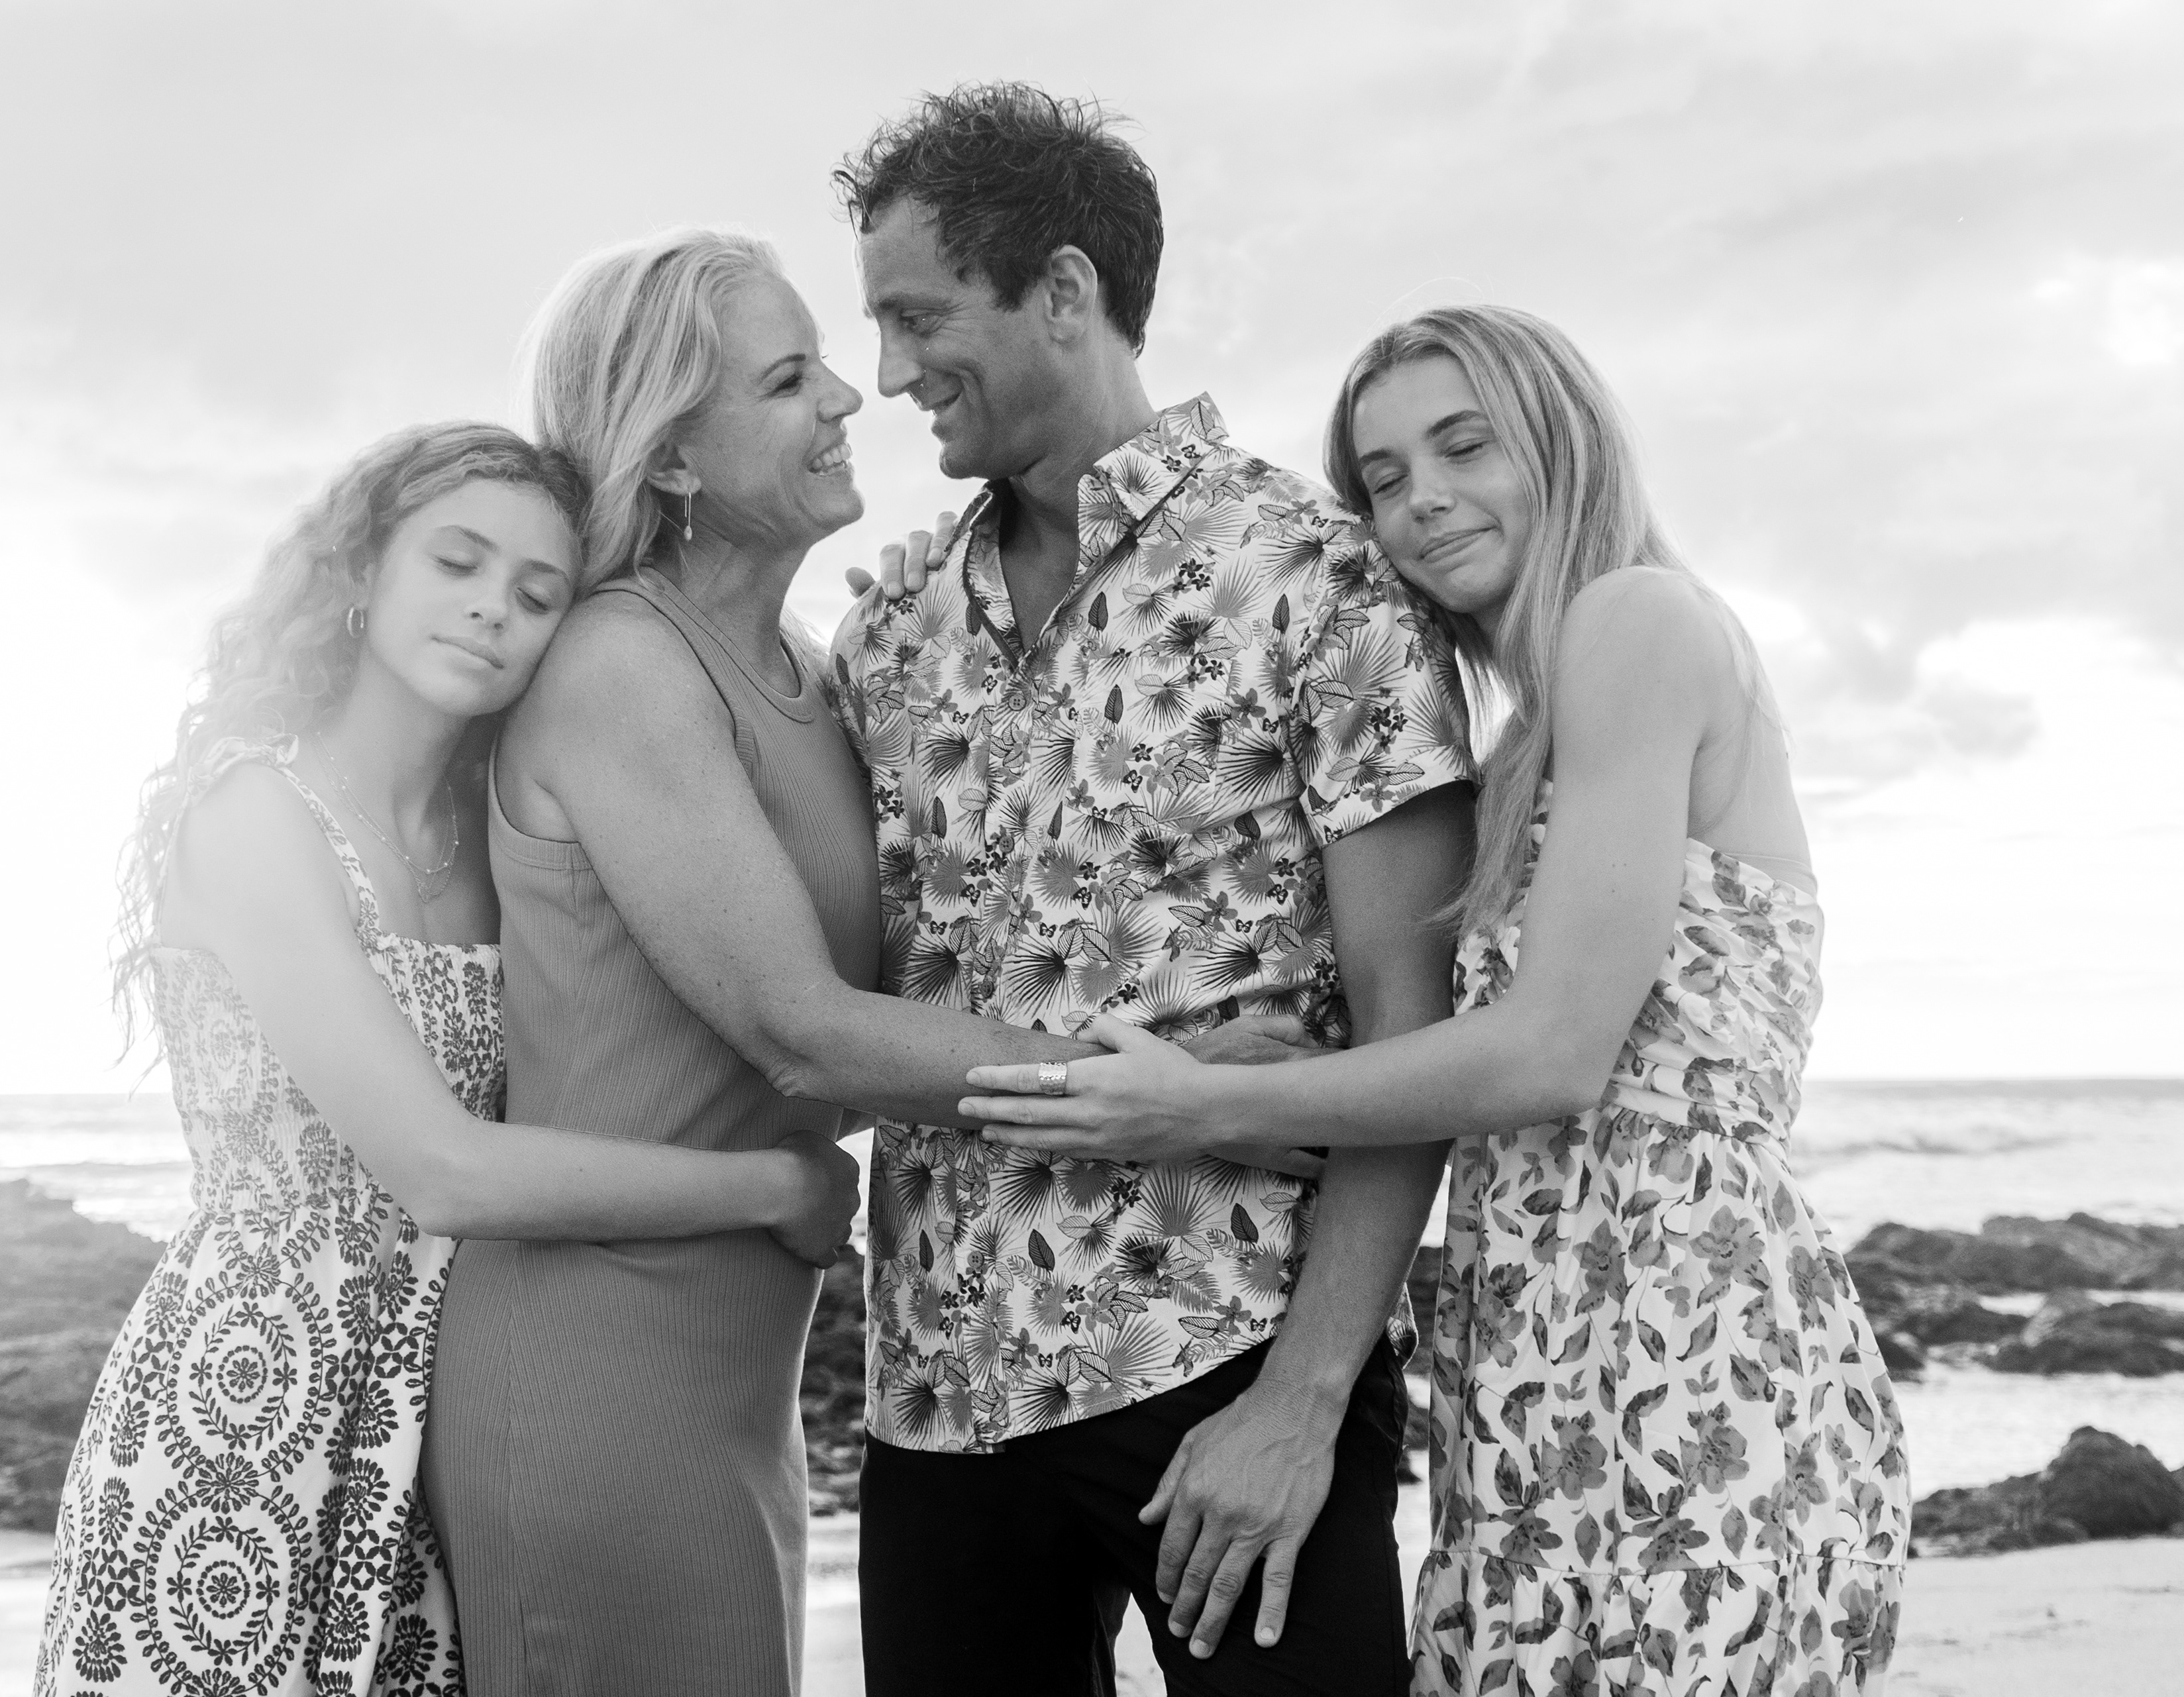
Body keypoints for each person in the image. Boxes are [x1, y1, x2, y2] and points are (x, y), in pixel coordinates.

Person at [418, 227, 1318, 1697]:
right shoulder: (618, 664)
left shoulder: (812, 663)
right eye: (789, 380)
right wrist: (1170, 1090)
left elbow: (894, 1018)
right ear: (674, 456)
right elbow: (802, 1032)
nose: (852, 395)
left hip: (740, 1368)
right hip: (595, 1361)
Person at [961, 306, 1911, 1695]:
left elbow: (1552, 1057)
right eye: (1386, 477)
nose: (1423, 500)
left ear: (1564, 440)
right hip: (1554, 1341)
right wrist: (1265, 1063)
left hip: (1687, 1341)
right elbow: (1501, 1057)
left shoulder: (1633, 622)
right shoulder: (1533, 735)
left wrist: (1204, 1107)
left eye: (1466, 447)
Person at [33, 423, 864, 1697]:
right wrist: (771, 1186)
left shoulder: (503, 829)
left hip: (443, 1411)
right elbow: (440, 1168)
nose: (492, 609)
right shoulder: (256, 815)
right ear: (365, 572)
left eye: (537, 594)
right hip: (243, 1405)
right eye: (457, 563)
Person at [829, 84, 1479, 1696]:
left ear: (1062, 290)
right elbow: (840, 1001)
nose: (891, 372)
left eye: (919, 317)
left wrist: (1302, 1407)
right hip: (938, 1402)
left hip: (1226, 1364)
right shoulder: (889, 631)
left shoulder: (1310, 571)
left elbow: (1416, 1035)